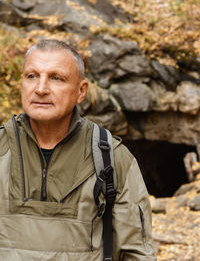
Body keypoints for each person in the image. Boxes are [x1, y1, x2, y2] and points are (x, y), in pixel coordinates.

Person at [0, 39, 156, 260]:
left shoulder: (111, 158)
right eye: (31, 76)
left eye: (56, 78)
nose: (41, 89)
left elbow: (136, 253)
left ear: (81, 91)